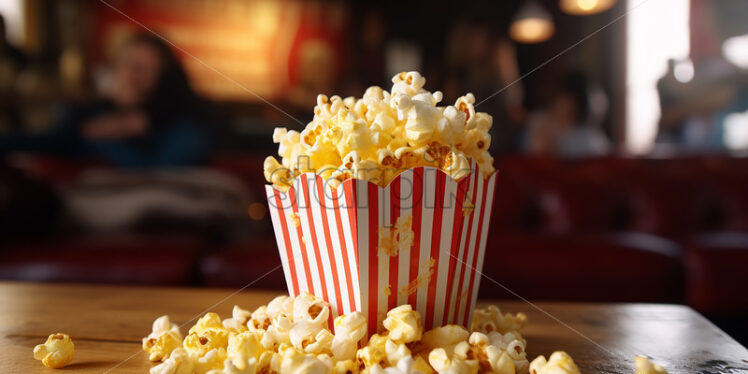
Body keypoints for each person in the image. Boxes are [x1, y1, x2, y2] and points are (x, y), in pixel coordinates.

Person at [0, 33, 211, 168]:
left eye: (146, 69)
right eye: (128, 63)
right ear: (115, 66)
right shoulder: (87, 116)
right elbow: (48, 141)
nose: (132, 74)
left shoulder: (178, 130)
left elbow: (165, 175)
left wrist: (140, 123)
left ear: (164, 80)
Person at [525, 71, 610, 158]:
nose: (565, 108)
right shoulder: (539, 121)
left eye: (571, 104)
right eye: (562, 99)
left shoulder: (588, 136)